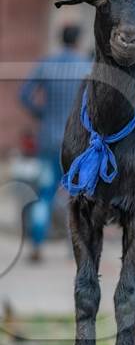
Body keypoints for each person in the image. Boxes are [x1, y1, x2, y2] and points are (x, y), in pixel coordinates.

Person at [19, 25, 91, 262]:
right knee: (77, 193)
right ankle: (75, 247)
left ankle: (37, 243)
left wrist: (41, 113)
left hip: (48, 138)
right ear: (78, 41)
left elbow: (24, 95)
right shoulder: (86, 68)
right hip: (77, 141)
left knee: (45, 193)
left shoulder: (46, 64)